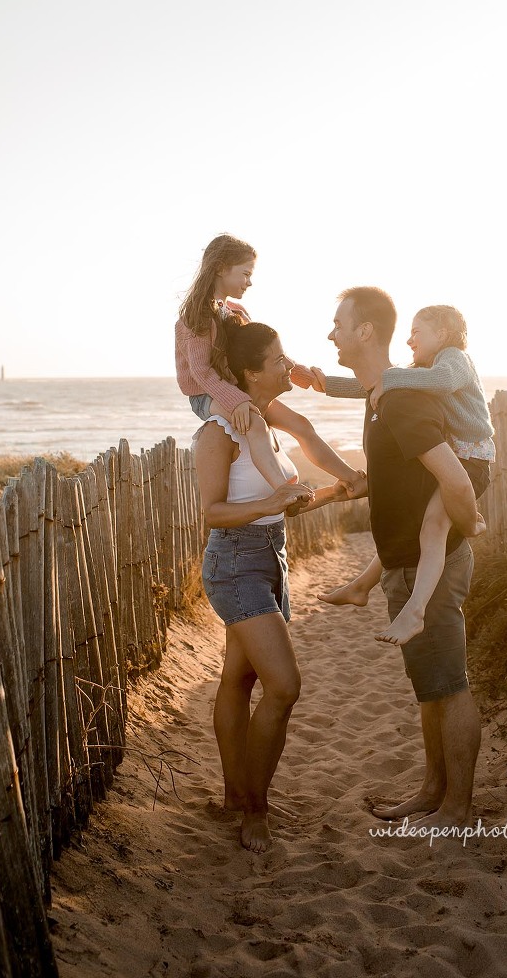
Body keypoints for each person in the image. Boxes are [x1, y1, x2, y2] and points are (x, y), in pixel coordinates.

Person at [193, 316, 367, 852]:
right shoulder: (216, 431)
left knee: (239, 682)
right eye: (278, 359)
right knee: (285, 686)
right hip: (234, 564)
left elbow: (281, 511)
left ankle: (233, 796)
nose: (287, 365)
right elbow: (211, 513)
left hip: (270, 558)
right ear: (250, 371)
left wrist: (332, 496)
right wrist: (270, 502)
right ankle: (255, 810)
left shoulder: (263, 424)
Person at [326, 286, 481, 830]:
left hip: (429, 569)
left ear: (366, 331)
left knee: (449, 683)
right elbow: (400, 478)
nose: (331, 335)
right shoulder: (381, 397)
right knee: (428, 687)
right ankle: (433, 791)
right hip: (404, 564)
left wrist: (467, 526)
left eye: (339, 325)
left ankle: (457, 808)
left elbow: (457, 478)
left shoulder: (403, 398)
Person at [311, 304, 493, 648]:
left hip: (472, 460)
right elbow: (376, 385)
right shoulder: (425, 366)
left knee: (433, 527)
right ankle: (362, 585)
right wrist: (327, 385)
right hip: (458, 455)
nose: (408, 340)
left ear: (442, 334)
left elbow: (433, 382)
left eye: (416, 332)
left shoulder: (454, 358)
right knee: (418, 524)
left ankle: (416, 610)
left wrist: (390, 379)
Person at [176, 233, 316, 491]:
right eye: (245, 274)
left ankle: (353, 480)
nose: (249, 282)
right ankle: (283, 490)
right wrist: (237, 400)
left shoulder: (236, 312)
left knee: (300, 424)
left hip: (234, 392)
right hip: (206, 396)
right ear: (220, 268)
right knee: (255, 425)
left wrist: (302, 375)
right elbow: (201, 372)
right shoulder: (197, 317)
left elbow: (261, 351)